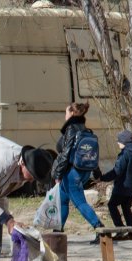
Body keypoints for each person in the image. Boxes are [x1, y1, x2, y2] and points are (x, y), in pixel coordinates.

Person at [51, 102, 105, 244]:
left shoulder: (71, 129)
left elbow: (66, 153)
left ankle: (100, 228)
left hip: (71, 173)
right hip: (83, 171)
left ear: (72, 114)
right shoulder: (87, 131)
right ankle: (57, 232)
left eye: (66, 112)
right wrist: (97, 172)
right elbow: (92, 155)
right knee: (62, 200)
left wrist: (57, 173)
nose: (65, 115)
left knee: (80, 202)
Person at [96, 129, 132, 228]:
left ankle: (120, 228)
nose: (118, 143)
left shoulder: (124, 154)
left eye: (119, 141)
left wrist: (102, 178)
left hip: (122, 187)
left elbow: (116, 171)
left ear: (123, 141)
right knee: (126, 207)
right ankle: (131, 230)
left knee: (112, 205)